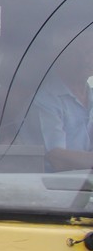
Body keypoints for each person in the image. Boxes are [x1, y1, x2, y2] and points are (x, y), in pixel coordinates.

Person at [32, 37, 93, 171]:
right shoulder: (44, 100)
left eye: (90, 52)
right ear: (59, 57)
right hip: (56, 188)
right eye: (78, 54)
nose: (86, 60)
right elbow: (57, 159)